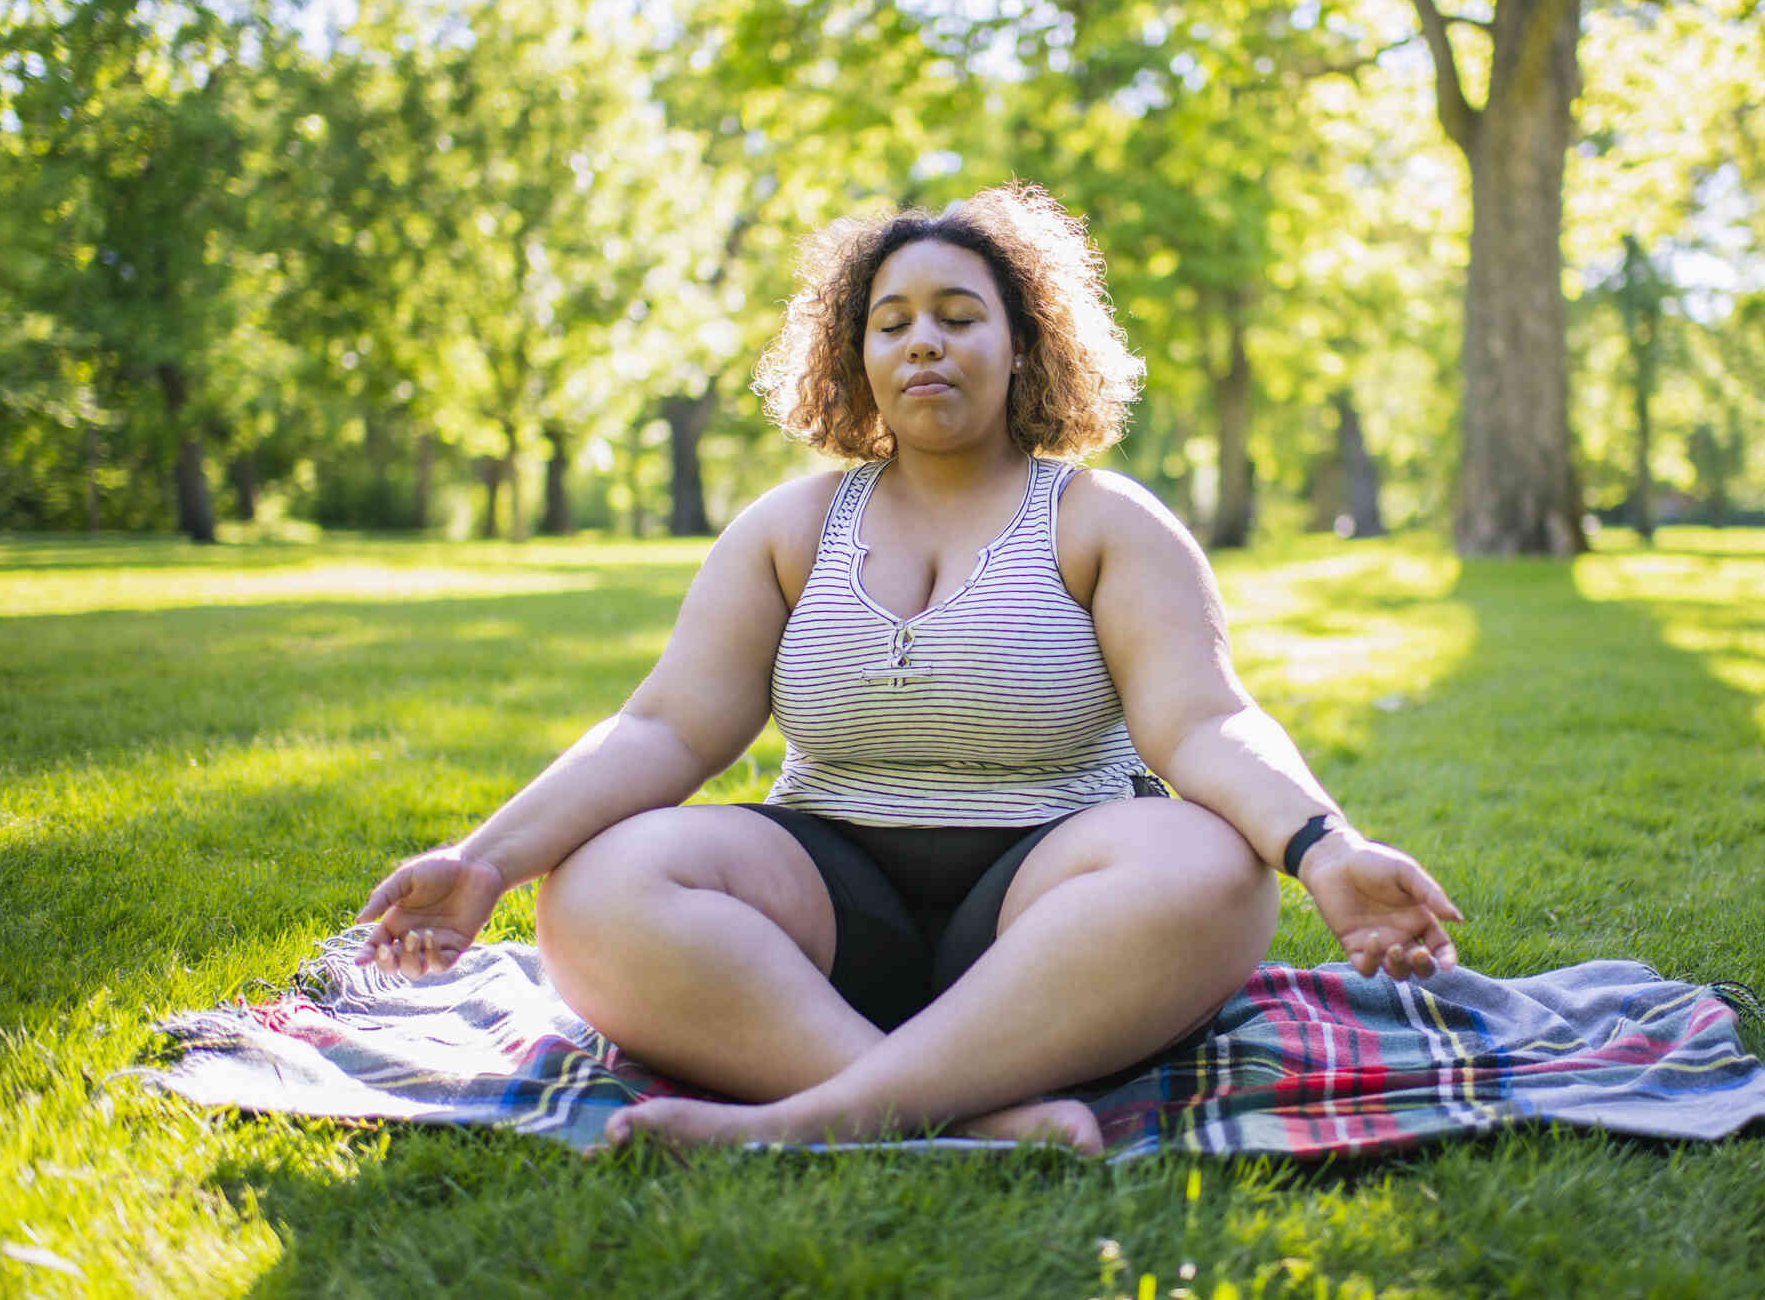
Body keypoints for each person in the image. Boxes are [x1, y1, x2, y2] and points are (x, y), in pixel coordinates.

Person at [353, 182, 1464, 1155]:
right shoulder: (788, 529)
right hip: (827, 908)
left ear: (1025, 344)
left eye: (958, 316)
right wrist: (488, 861)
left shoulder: (1103, 520)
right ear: (858, 359)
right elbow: (666, 729)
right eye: (892, 323)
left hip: (1052, 909)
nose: (922, 342)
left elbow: (1204, 723)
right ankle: (969, 1111)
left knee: (1213, 868)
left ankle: (813, 1118)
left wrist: (1324, 844)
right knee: (594, 888)